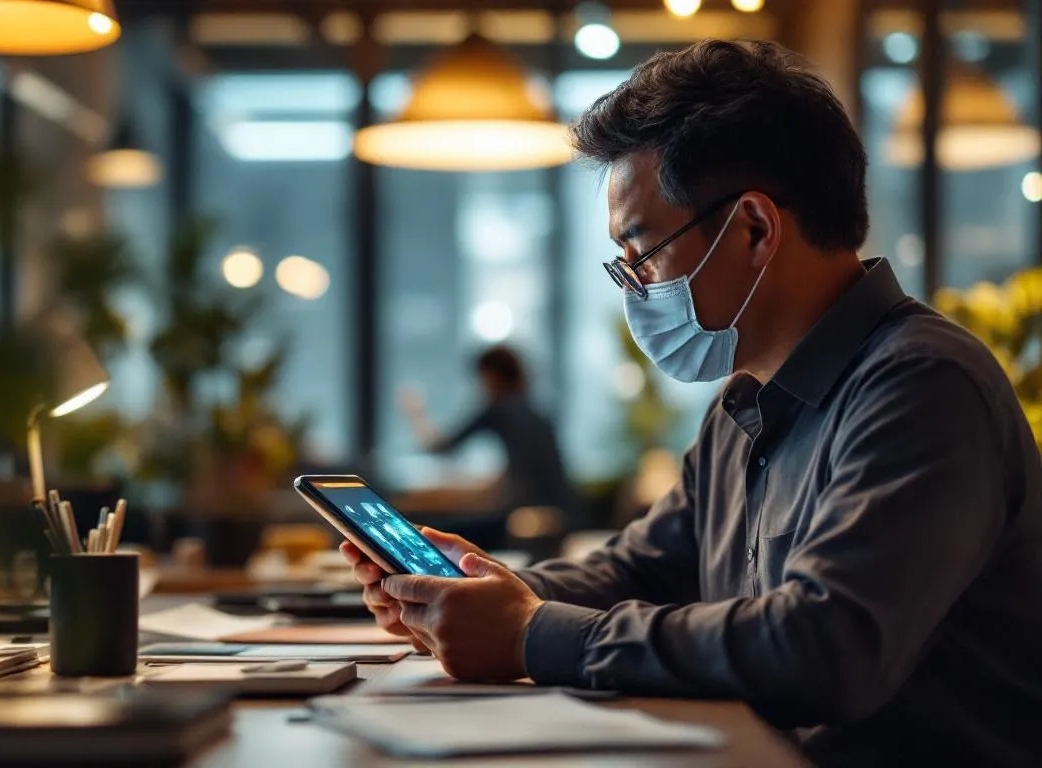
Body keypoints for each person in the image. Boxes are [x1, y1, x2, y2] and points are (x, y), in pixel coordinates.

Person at [342, 39, 1042, 767]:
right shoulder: (745, 405)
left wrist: (527, 633)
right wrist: (475, 594)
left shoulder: (922, 386)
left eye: (642, 255)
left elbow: (822, 648)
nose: (635, 289)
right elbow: (641, 571)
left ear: (754, 229)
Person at [401, 345, 577, 521]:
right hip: (561, 510)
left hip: (530, 515)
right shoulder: (535, 411)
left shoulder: (499, 408)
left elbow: (441, 446)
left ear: (491, 376)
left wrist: (416, 412)